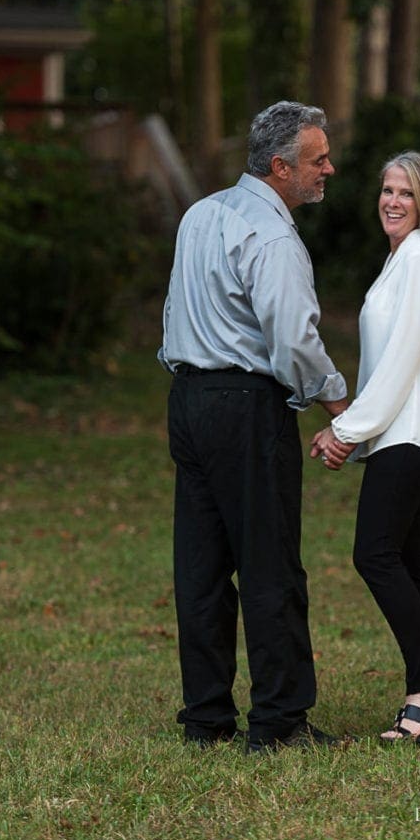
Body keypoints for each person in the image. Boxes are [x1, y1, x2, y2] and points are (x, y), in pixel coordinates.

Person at [159, 101, 351, 753]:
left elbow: (174, 307)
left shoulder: (201, 214)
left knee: (202, 567)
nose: (329, 168)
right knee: (270, 566)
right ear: (280, 168)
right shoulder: (273, 237)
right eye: (317, 159)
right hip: (245, 408)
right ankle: (278, 723)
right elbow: (293, 340)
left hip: (188, 401)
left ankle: (207, 719)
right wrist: (337, 404)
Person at [311, 150, 420, 745]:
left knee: (374, 554)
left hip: (409, 433)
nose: (392, 201)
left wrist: (345, 431)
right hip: (396, 432)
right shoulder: (401, 260)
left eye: (406, 192)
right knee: (408, 560)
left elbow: (400, 366)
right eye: (386, 190)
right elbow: (384, 364)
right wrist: (358, 434)